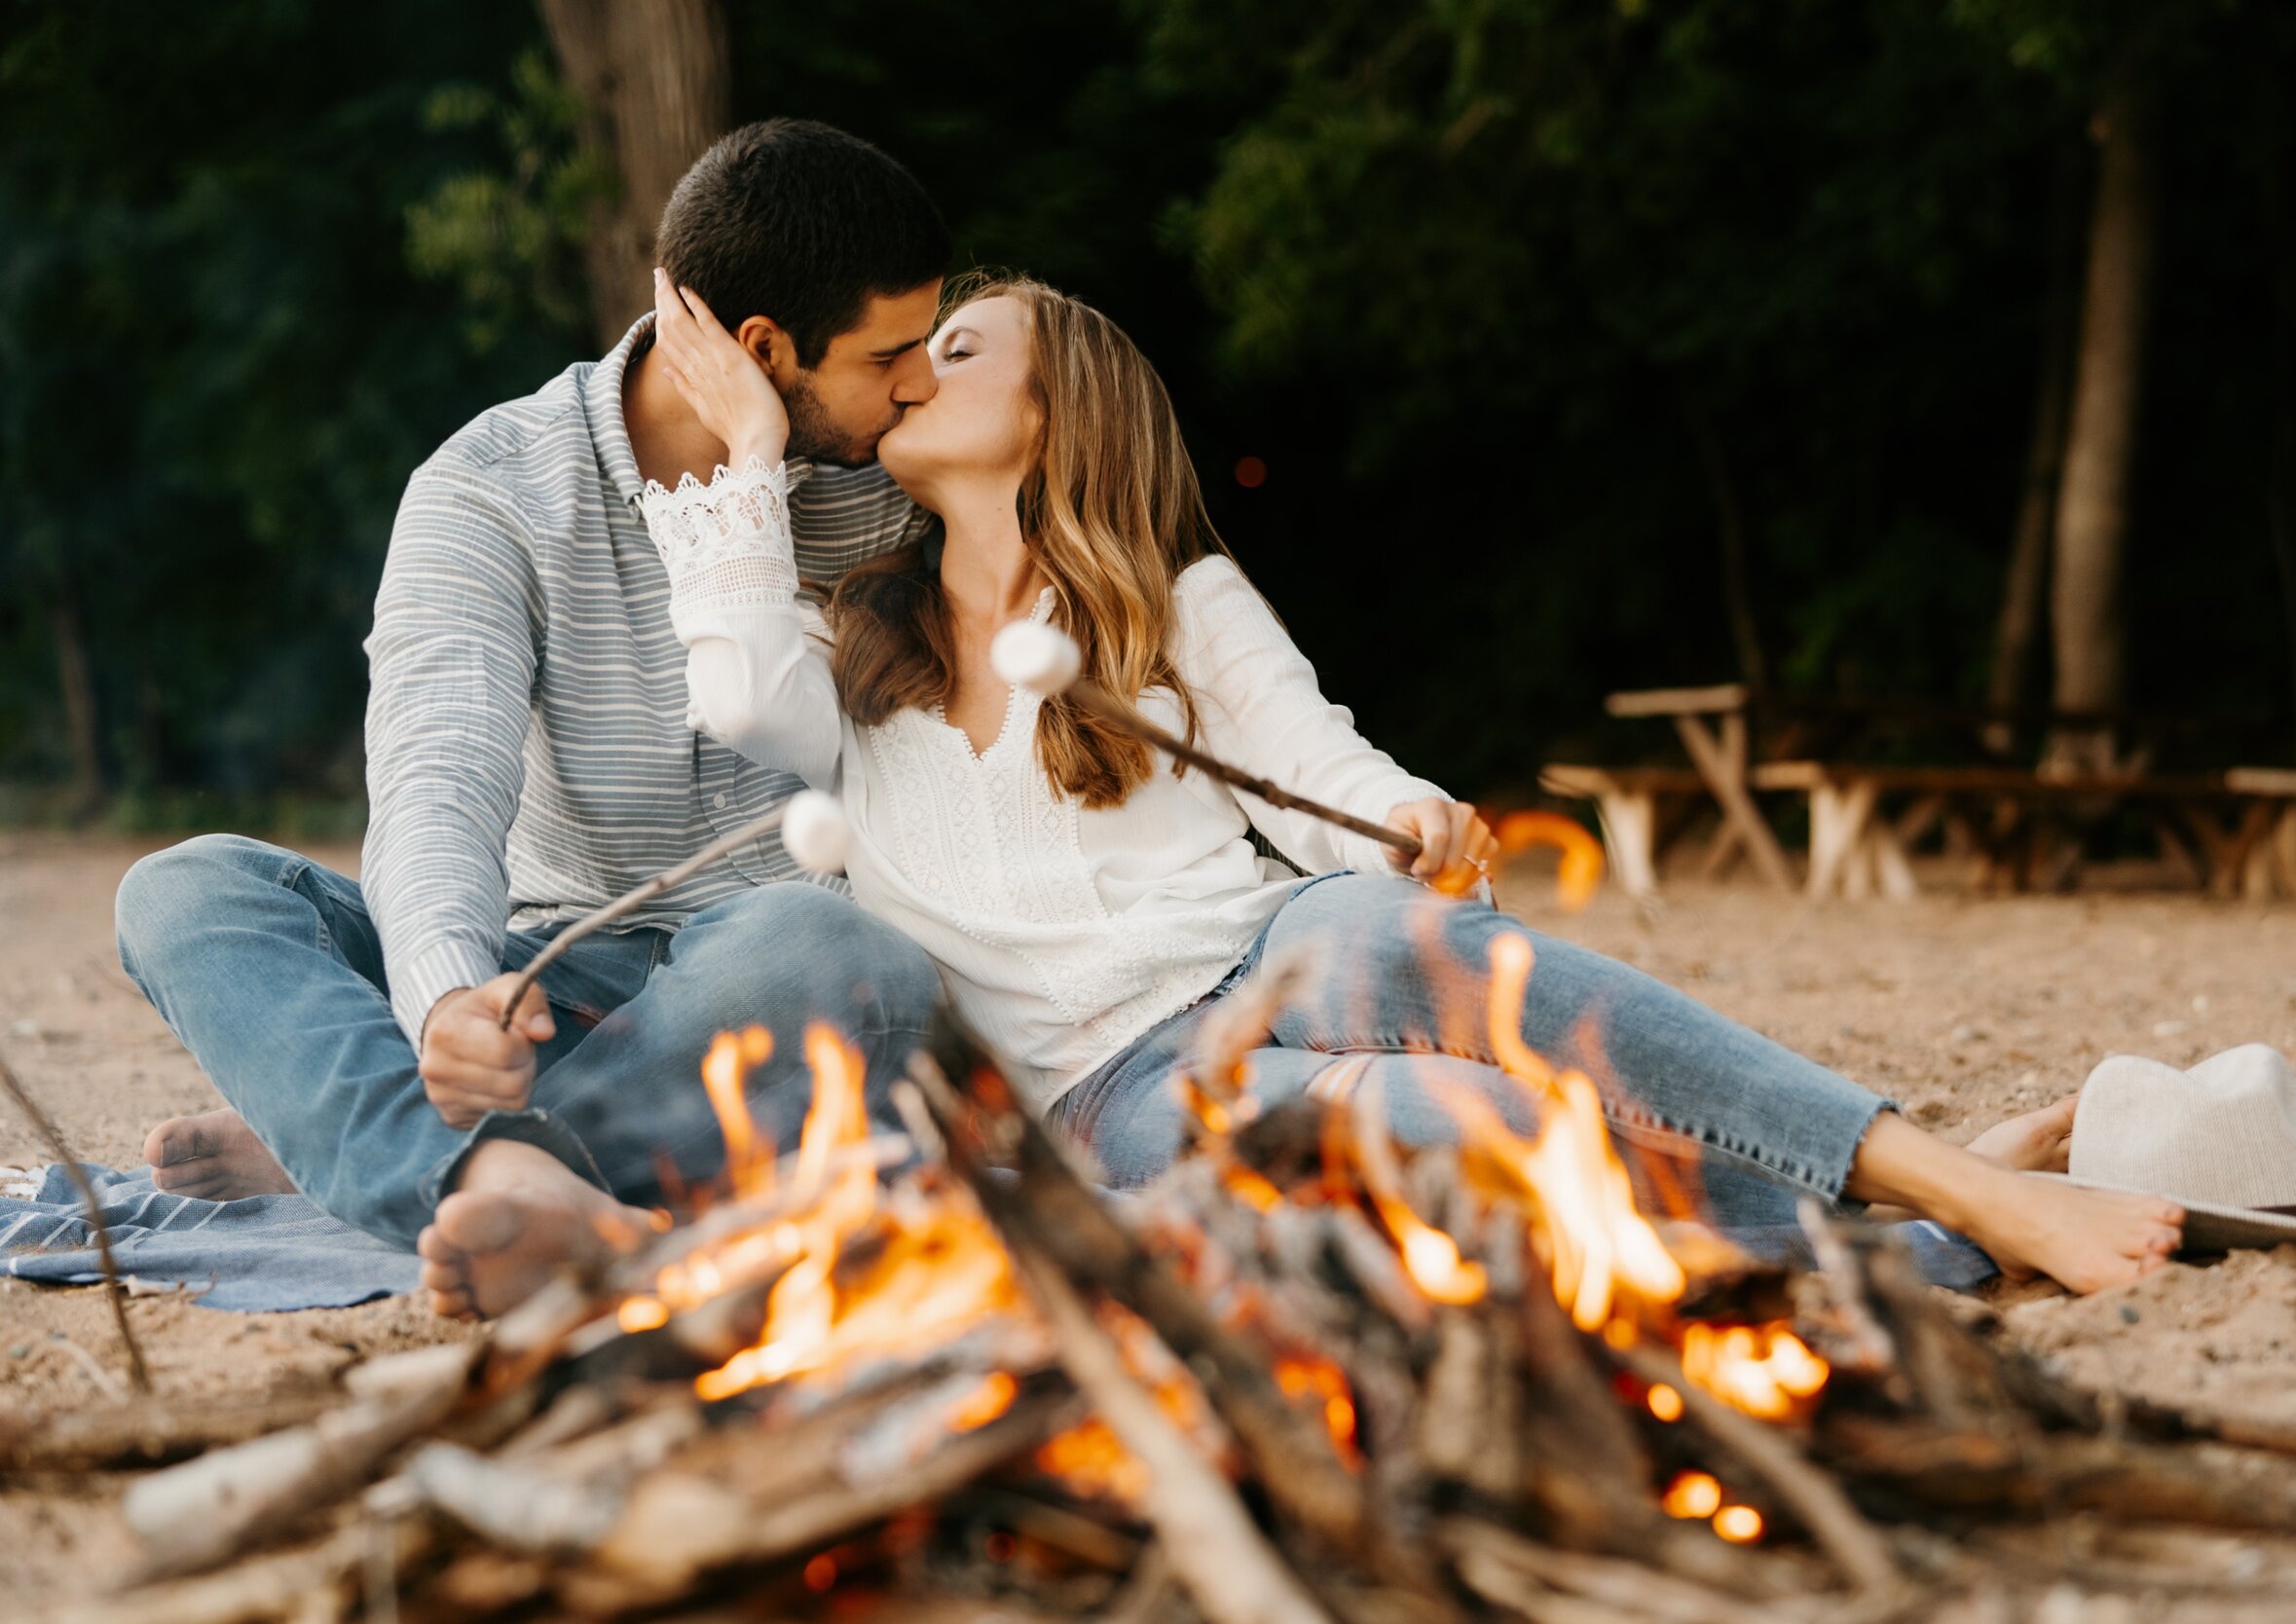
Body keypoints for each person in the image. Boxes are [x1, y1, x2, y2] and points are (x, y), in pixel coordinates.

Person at [636, 269, 2188, 1294]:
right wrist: (760, 440)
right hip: (1114, 1092)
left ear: (1053, 412)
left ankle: (1943, 1183)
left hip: (1268, 955)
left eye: (956, 352)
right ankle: (1924, 1241)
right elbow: (737, 700)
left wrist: (1408, 824)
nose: (908, 376)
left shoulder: (1174, 604)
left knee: (1385, 928)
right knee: (1453, 1113)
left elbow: (1323, 779)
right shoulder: (843, 643)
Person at [115, 120, 953, 1320]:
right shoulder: (492, 485)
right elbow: (436, 776)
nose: (922, 382)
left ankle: (365, 1144)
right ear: (763, 348)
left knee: (833, 951)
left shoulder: (899, 481)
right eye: (891, 354)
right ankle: (497, 1165)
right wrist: (453, 1000)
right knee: (187, 891)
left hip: (765, 982)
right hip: (547, 973)